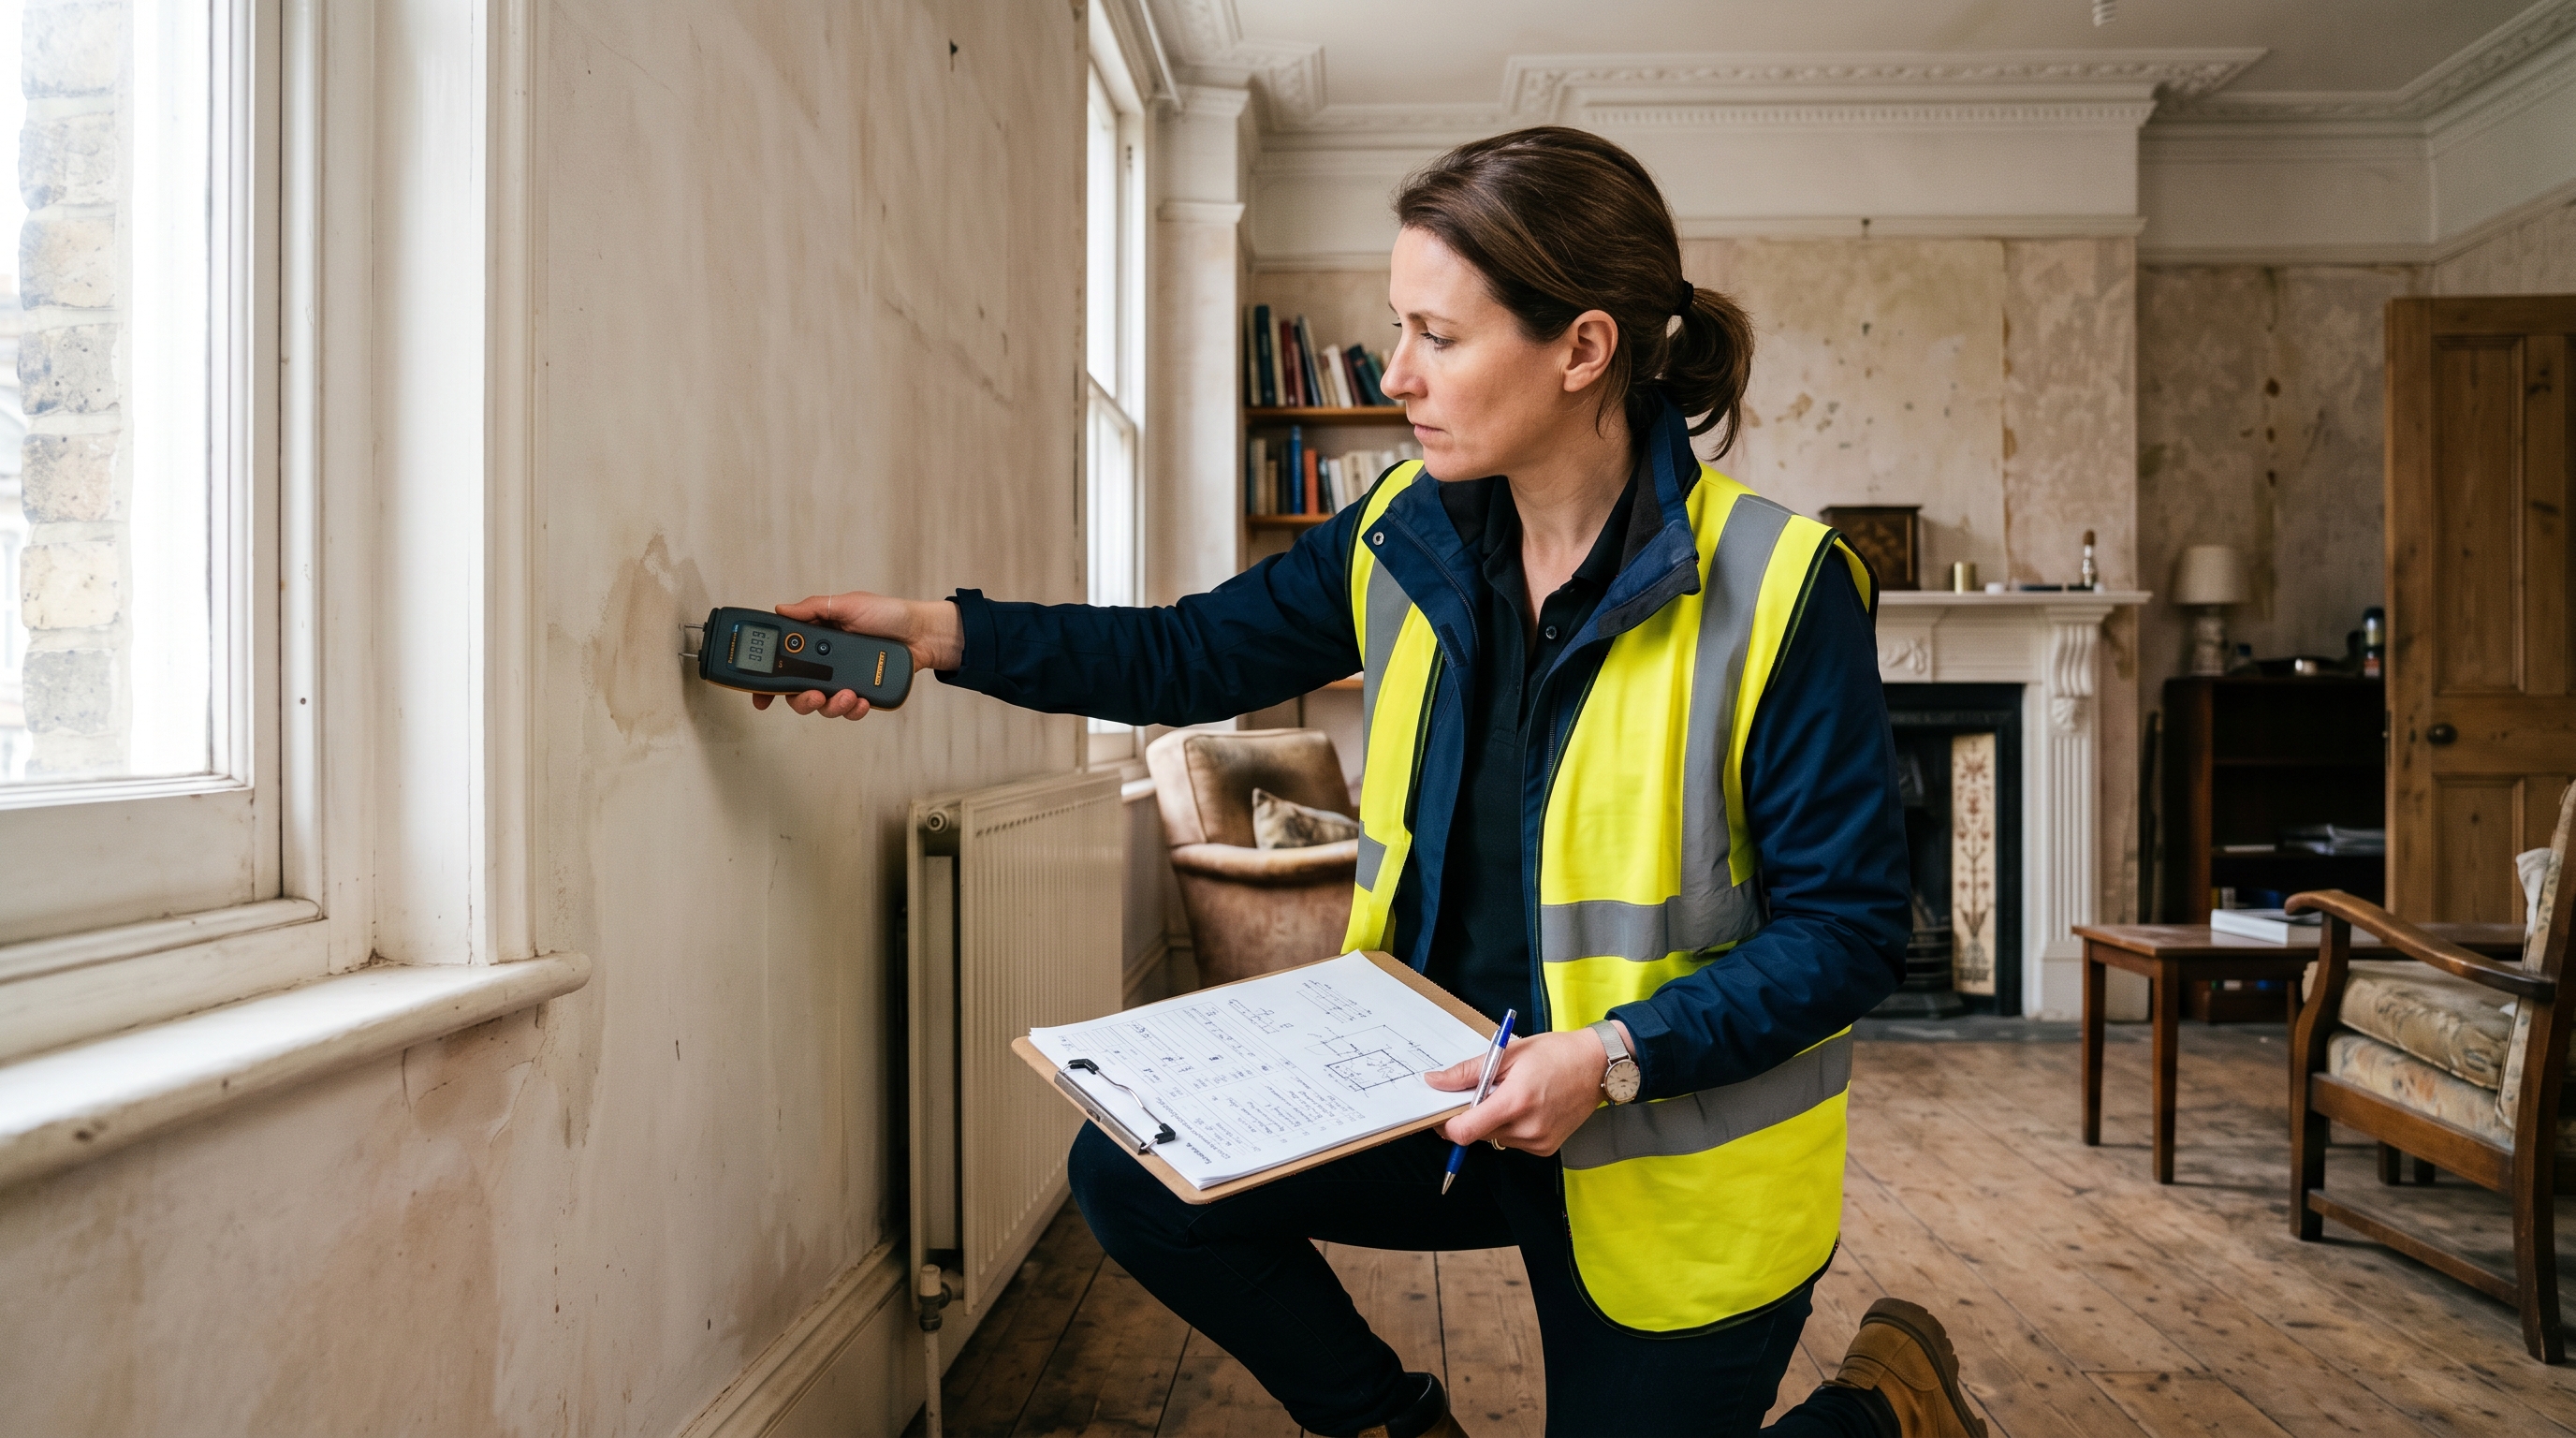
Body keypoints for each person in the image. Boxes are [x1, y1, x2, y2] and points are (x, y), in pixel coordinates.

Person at [758, 127, 1982, 1438]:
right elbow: (1187, 650)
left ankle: (1887, 1412)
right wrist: (945, 634)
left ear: (1582, 350)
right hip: (1444, 1091)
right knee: (1134, 1175)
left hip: (1657, 1143)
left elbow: (1848, 934)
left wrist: (1612, 1059)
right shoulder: (1406, 531)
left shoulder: (1783, 589)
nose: (1397, 374)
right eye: (1398, 330)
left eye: (1437, 338)